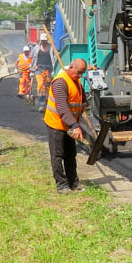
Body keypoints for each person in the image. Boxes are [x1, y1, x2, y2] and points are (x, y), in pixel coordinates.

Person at [44, 58, 88, 194]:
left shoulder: (76, 79)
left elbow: (81, 95)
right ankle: (62, 185)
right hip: (56, 123)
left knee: (71, 154)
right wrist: (75, 126)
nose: (80, 76)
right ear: (71, 68)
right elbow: (62, 108)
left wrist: (85, 103)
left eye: (82, 73)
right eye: (79, 73)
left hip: (69, 124)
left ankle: (73, 182)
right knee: (58, 155)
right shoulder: (60, 82)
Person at [31, 33, 56, 111]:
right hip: (39, 68)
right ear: (40, 41)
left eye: (44, 41)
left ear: (47, 40)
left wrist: (54, 70)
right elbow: (32, 59)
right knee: (41, 85)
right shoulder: (36, 48)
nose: (43, 42)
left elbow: (55, 59)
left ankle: (47, 103)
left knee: (47, 87)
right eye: (42, 41)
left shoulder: (52, 48)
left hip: (48, 69)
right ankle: (42, 104)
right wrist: (31, 70)